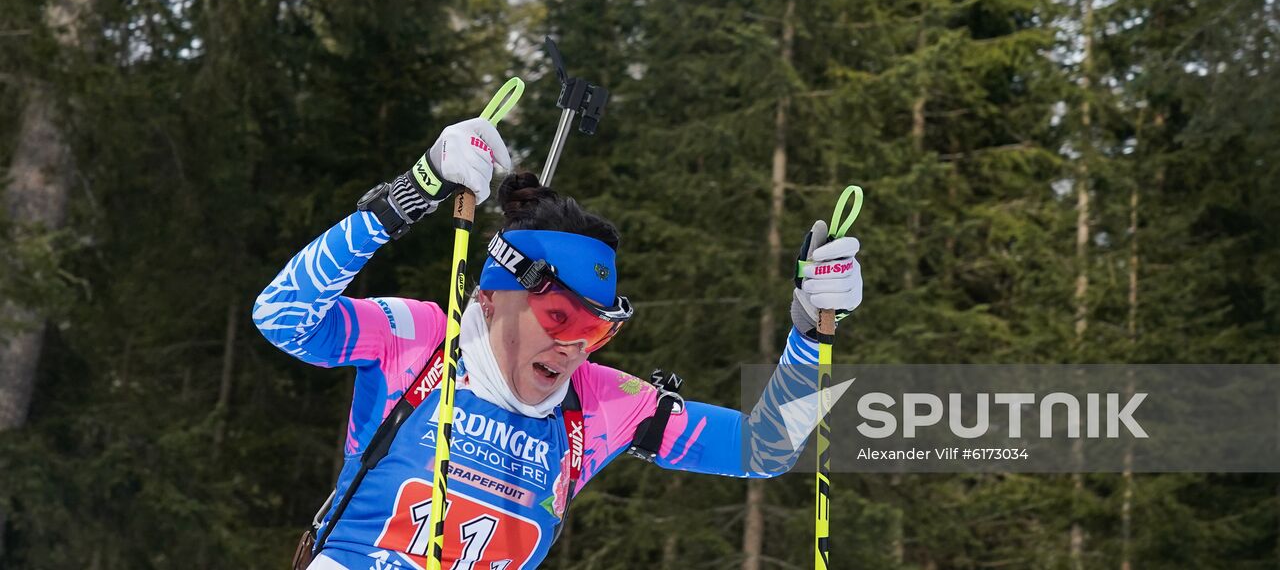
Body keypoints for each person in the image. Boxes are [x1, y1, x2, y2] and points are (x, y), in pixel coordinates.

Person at [253, 118, 864, 570]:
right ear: (491, 298)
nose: (576, 348)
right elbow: (282, 316)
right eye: (559, 316)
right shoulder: (418, 340)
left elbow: (765, 447)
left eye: (598, 329)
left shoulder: (601, 403)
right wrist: (409, 193)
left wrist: (810, 334)